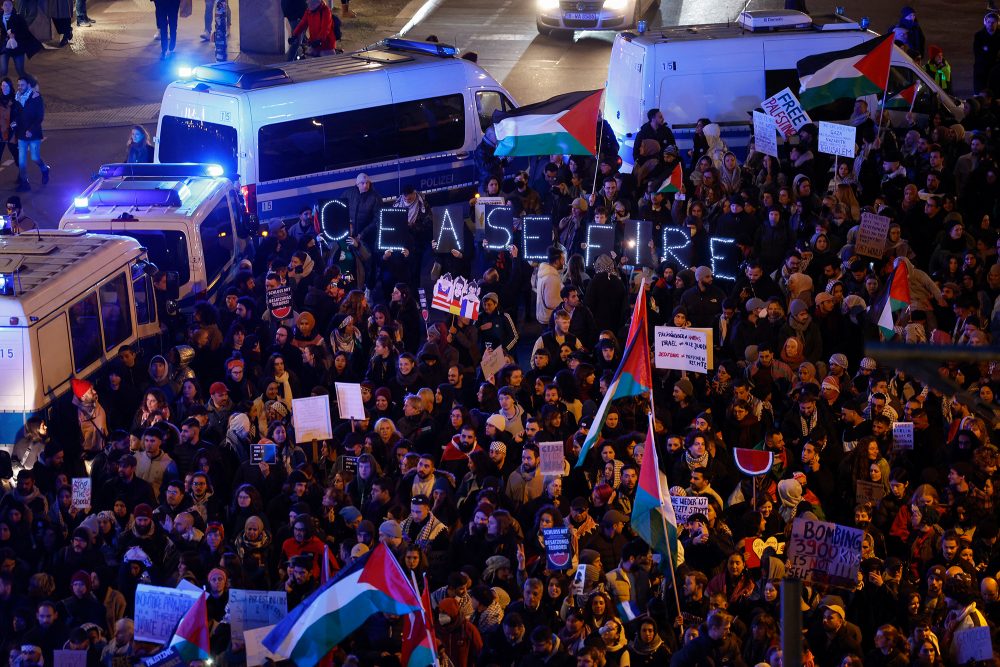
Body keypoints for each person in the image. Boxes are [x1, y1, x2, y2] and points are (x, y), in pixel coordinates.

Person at [11, 74, 47, 192]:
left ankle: (45, 169)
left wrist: (31, 130)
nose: (20, 87)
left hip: (34, 134)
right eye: (18, 85)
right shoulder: (17, 98)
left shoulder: (36, 98)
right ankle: (24, 183)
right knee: (21, 161)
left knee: (35, 157)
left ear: (28, 85)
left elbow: (39, 117)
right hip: (21, 135)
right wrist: (15, 122)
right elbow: (17, 115)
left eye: (22, 85)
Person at [0, 0, 41, 78]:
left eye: (10, 5)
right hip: (5, 46)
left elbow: (25, 31)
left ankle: (31, 82)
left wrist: (15, 35)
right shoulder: (1, 17)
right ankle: (4, 88)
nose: (8, 7)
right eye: (5, 5)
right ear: (2, 7)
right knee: (3, 70)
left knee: (20, 71)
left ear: (12, 6)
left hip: (17, 46)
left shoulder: (18, 17)